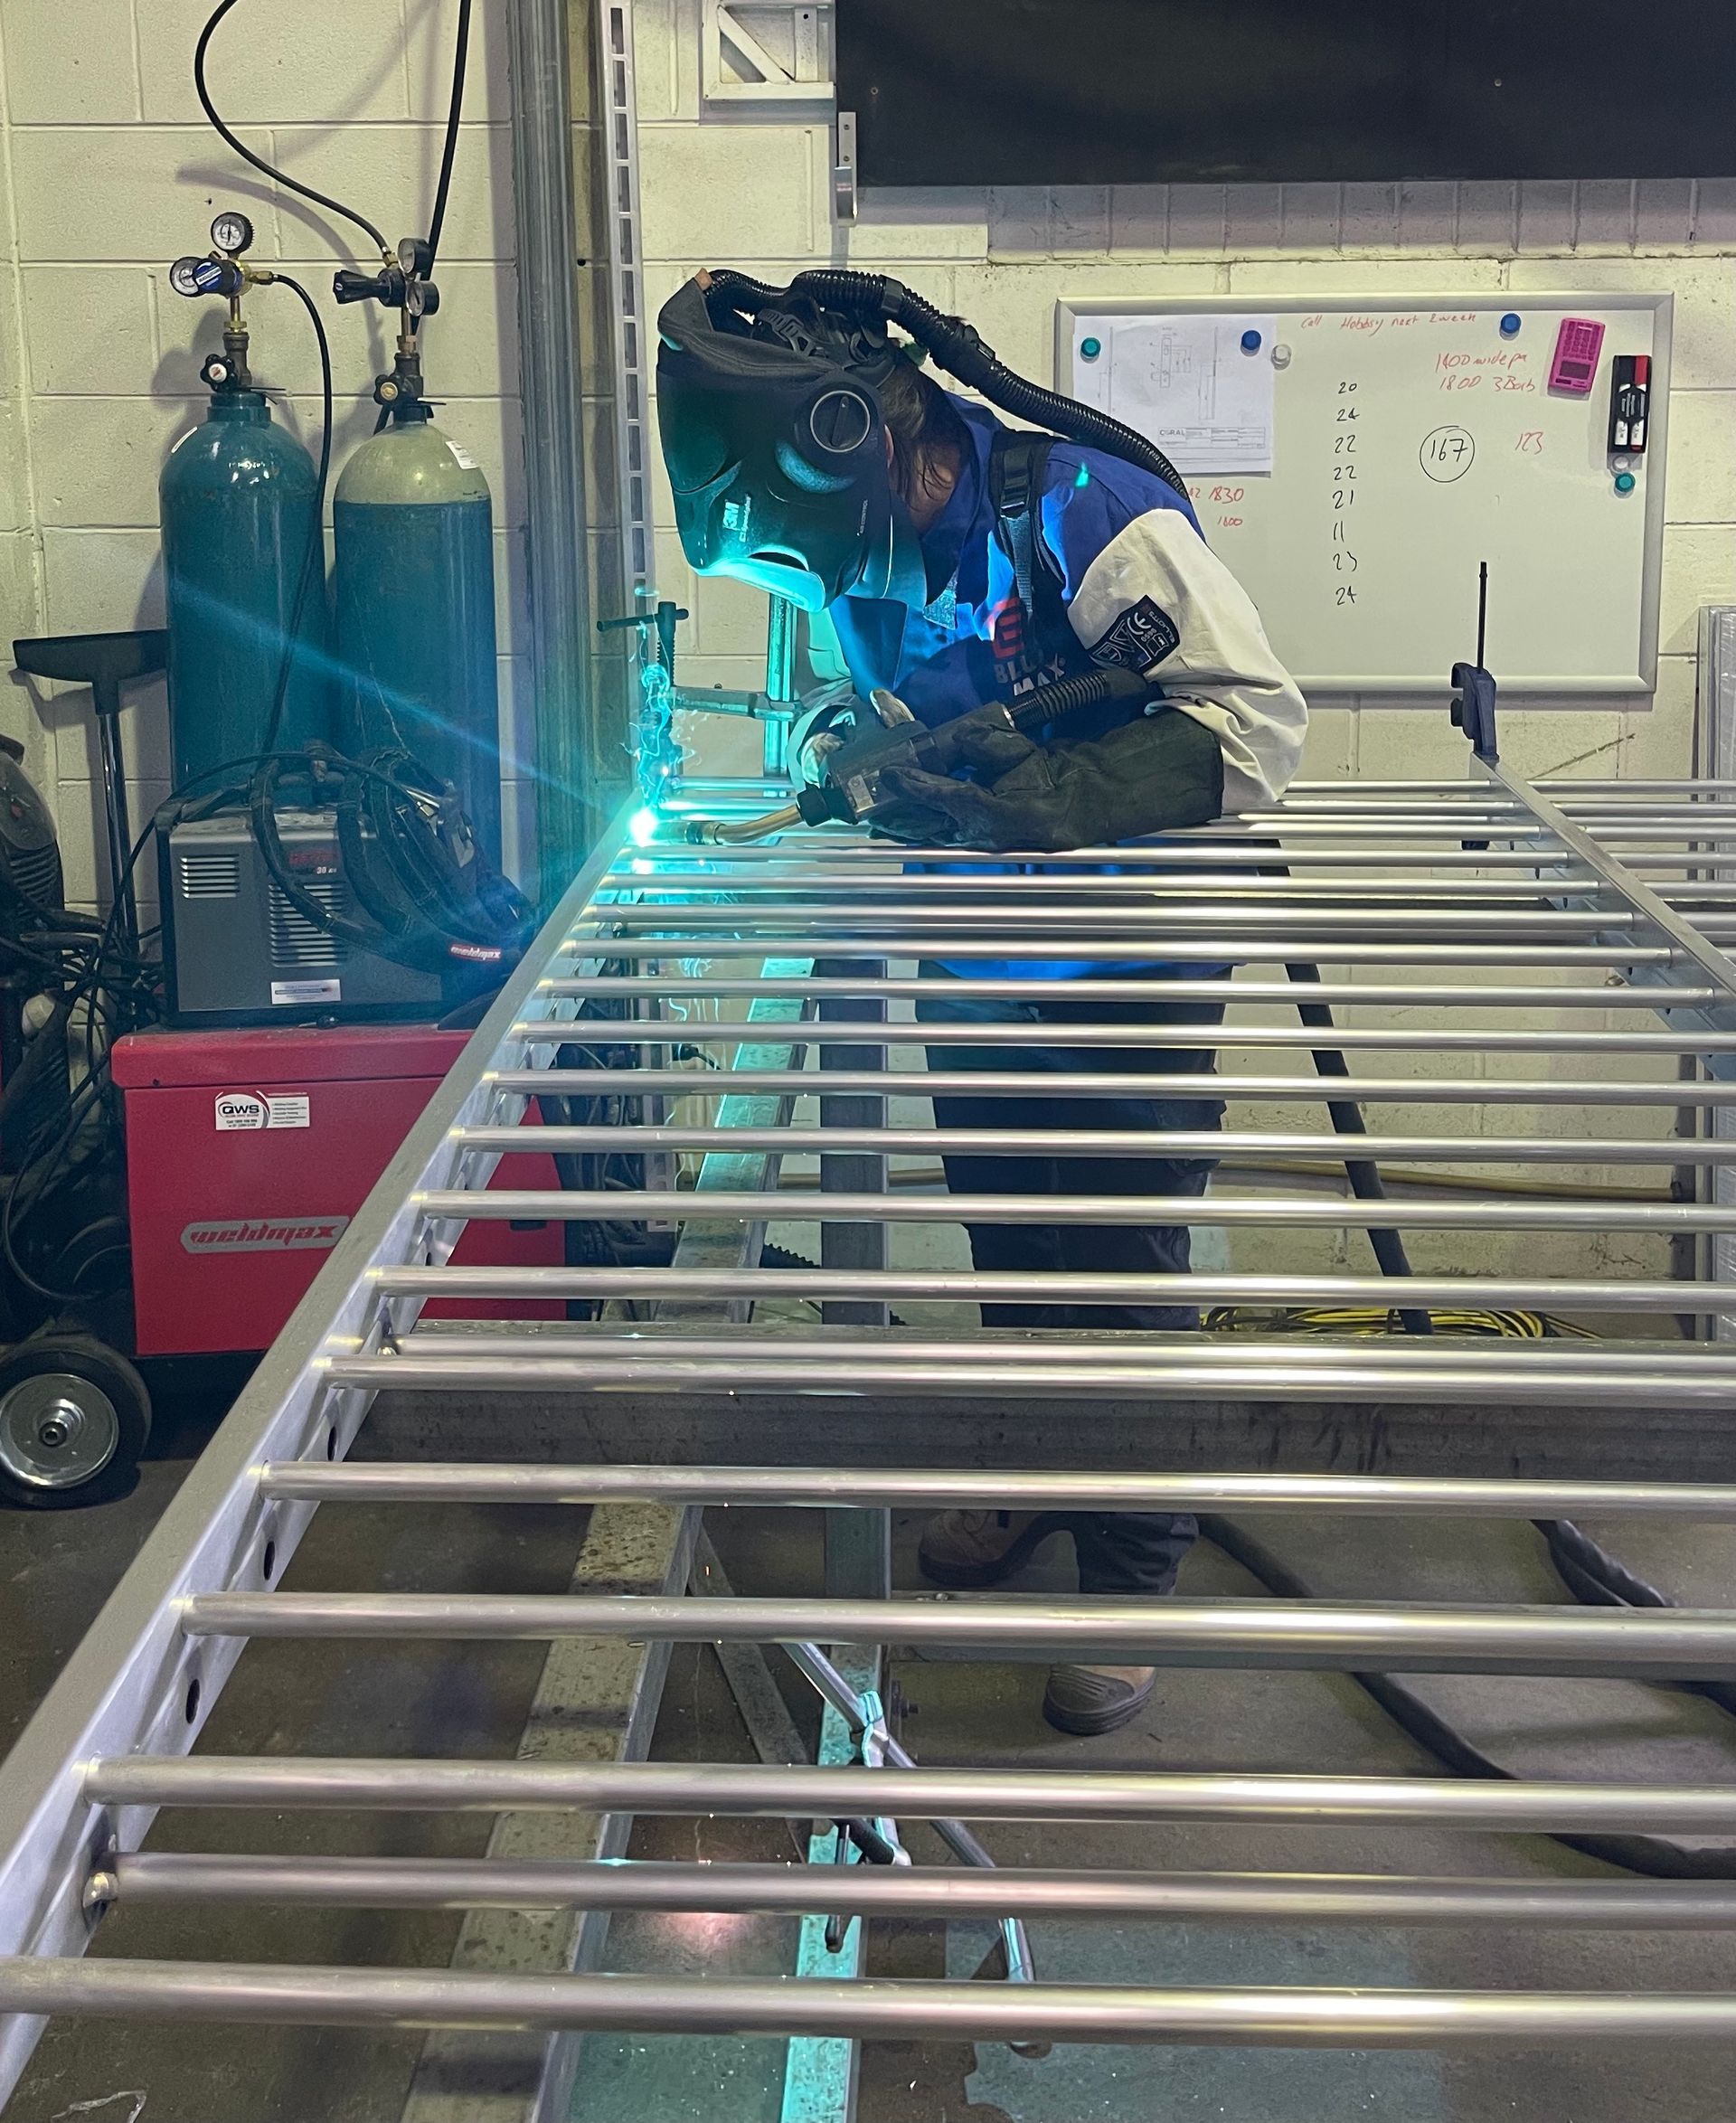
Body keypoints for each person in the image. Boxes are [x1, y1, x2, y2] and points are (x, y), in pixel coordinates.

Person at [656, 270, 1307, 1736]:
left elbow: (1256, 728)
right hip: (979, 932)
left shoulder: (1087, 510)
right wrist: (860, 746)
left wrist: (1043, 803)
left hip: (1139, 939)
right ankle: (1027, 1485)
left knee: (1114, 1249)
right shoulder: (863, 557)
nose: (826, 590)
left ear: (869, 448)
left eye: (818, 558)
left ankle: (1131, 1577)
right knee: (1005, 1215)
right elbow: (894, 697)